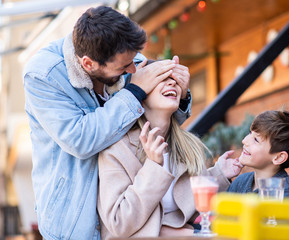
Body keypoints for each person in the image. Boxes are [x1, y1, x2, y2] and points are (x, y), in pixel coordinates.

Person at [23, 6, 192, 240]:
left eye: (134, 61)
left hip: (125, 214)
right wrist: (135, 92)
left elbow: (156, 117)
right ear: (88, 64)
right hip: (73, 219)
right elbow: (80, 140)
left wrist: (181, 94)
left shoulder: (124, 56)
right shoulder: (42, 75)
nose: (133, 69)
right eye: (124, 68)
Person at [97, 60, 243, 238]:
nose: (172, 82)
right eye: (161, 78)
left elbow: (194, 209)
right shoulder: (116, 150)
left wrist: (219, 175)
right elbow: (118, 223)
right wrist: (153, 166)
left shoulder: (189, 146)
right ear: (138, 91)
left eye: (173, 78)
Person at [227, 110, 289, 198]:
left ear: (279, 157)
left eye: (256, 140)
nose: (244, 141)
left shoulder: (288, 195)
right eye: (250, 133)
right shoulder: (240, 182)